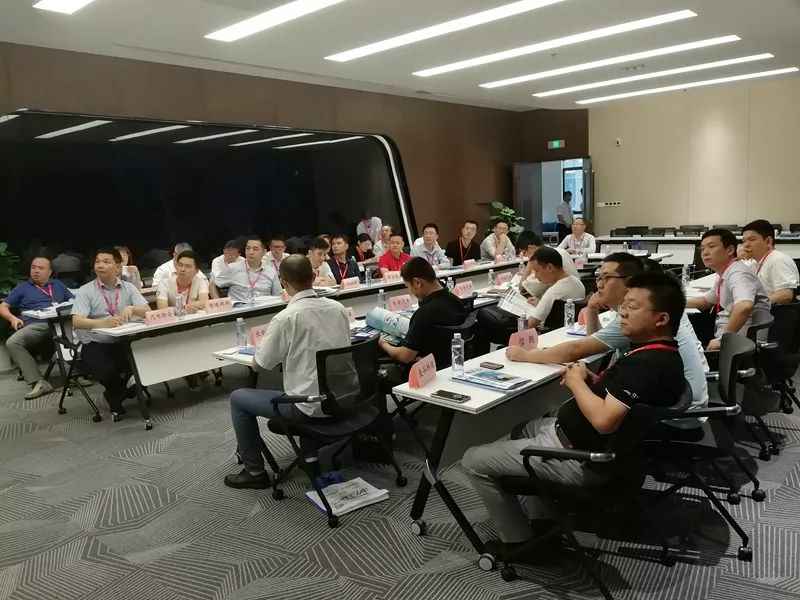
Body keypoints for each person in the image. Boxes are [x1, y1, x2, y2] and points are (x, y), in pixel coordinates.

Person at [463, 272, 686, 560]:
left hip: (581, 458)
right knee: (524, 427)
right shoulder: (661, 355)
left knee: (472, 460)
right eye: (624, 305)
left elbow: (604, 422)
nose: (622, 312)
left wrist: (576, 382)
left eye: (633, 307)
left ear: (661, 319)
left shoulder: (646, 365)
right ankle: (543, 520)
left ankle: (519, 544)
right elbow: (622, 397)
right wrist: (593, 380)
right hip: (583, 443)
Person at [507, 253, 708, 422]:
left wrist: (525, 355)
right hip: (670, 401)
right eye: (598, 277)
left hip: (673, 415)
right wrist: (592, 309)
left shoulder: (643, 322)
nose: (599, 284)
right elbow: (597, 341)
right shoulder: (648, 313)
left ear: (629, 281)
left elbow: (576, 350)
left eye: (606, 277)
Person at [224, 255, 354, 489]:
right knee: (302, 380)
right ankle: (310, 455)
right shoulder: (338, 308)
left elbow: (260, 365)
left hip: (309, 407)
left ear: (283, 282)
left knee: (238, 398)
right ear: (314, 276)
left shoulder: (286, 318)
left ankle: (254, 472)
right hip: (343, 399)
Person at [71, 248, 149, 416]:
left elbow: (147, 311)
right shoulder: (86, 290)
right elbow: (76, 321)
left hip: (124, 341)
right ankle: (119, 392)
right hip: (96, 343)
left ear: (118, 267)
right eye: (97, 262)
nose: (100, 265)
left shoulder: (128, 288)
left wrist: (133, 308)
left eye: (106, 262)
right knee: (106, 371)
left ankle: (117, 393)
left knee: (145, 360)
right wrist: (102, 323)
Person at [0, 256, 73, 399]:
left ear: (50, 272)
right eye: (33, 267)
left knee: (83, 328)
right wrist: (12, 318)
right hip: (38, 324)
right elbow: (3, 306)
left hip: (61, 322)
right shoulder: (23, 287)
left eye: (41, 268)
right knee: (13, 342)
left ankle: (75, 373)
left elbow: (73, 300)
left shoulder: (57, 284)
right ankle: (38, 381)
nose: (36, 271)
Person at [686, 229, 771, 350]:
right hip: (732, 337)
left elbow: (744, 306)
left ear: (730, 250)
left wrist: (722, 340)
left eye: (711, 246)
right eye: (703, 249)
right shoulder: (725, 271)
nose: (705, 253)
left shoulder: (738, 273)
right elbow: (706, 301)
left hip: (742, 344)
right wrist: (673, 302)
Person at [379, 257, 467, 370]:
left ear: (417, 283)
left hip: (428, 371)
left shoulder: (424, 314)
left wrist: (383, 344)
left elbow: (405, 356)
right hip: (452, 365)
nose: (410, 292)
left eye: (408, 287)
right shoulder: (457, 301)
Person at [522, 247, 585, 329]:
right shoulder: (578, 282)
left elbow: (530, 324)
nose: (536, 276)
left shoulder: (553, 292)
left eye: (537, 271)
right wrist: (541, 303)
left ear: (550, 268)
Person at [741, 219, 799, 305]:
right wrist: (737, 259)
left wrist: (753, 305)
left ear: (768, 241)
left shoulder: (778, 259)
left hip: (774, 312)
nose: (746, 245)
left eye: (752, 239)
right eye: (744, 241)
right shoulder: (753, 263)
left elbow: (785, 295)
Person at [213, 236, 282, 303]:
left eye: (255, 249)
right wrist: (218, 302)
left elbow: (278, 295)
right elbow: (213, 283)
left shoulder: (271, 271)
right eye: (248, 248)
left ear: (264, 252)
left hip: (264, 308)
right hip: (239, 309)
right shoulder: (232, 268)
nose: (250, 252)